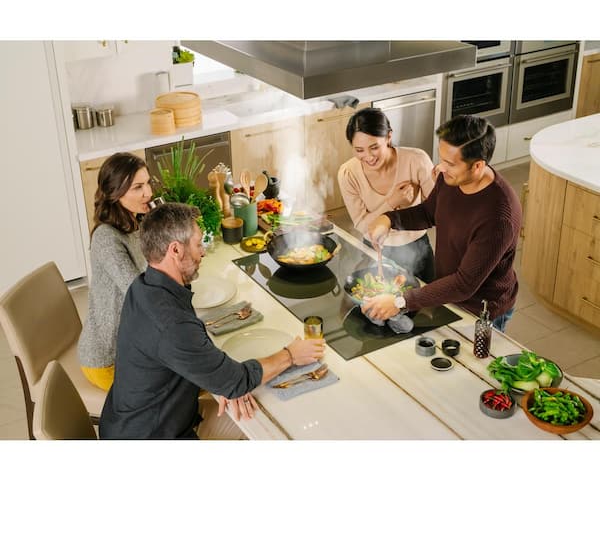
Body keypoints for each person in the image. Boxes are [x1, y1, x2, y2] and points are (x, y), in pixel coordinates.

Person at [99, 202, 325, 440]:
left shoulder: (144, 286)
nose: (203, 252)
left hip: (133, 420)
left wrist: (220, 379)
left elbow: (192, 355)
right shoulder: (172, 324)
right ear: (175, 250)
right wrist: (290, 355)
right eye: (198, 244)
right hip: (153, 436)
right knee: (267, 435)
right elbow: (238, 380)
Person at [363, 114, 522, 332]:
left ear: (477, 166)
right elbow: (429, 213)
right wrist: (388, 219)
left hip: (482, 310)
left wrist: (400, 301)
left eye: (450, 163)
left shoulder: (499, 217)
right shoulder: (451, 178)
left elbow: (464, 284)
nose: (440, 168)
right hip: (451, 296)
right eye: (441, 159)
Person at [78, 152, 152, 391]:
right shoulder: (106, 238)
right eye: (138, 187)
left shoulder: (134, 223)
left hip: (134, 345)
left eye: (148, 183)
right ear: (115, 193)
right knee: (181, 386)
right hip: (109, 359)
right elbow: (139, 293)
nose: (148, 193)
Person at [337, 107, 436, 282]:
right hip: (375, 250)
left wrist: (424, 199)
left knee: (428, 298)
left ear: (389, 137)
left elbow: (437, 210)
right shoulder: (348, 173)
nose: (368, 157)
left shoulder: (417, 160)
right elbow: (362, 225)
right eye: (359, 150)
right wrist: (392, 202)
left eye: (374, 147)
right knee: (376, 295)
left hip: (417, 247)